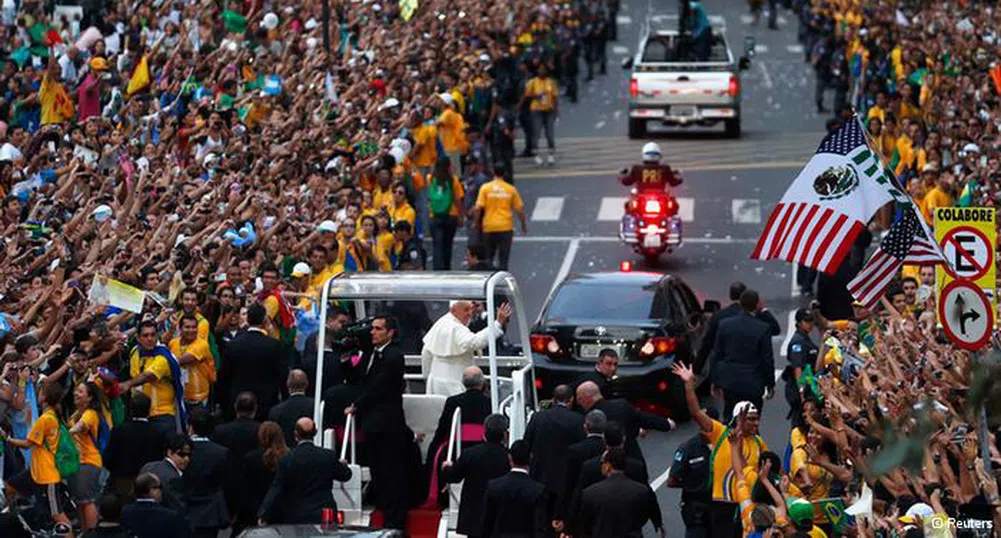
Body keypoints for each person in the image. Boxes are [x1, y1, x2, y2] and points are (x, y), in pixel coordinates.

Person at [673, 362, 768, 538]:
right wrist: (688, 385)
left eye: (757, 419)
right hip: (723, 504)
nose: (756, 423)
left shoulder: (759, 443)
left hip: (748, 504)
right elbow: (695, 413)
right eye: (751, 419)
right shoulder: (721, 433)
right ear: (738, 419)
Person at [344, 316, 412, 530]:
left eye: (378, 329)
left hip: (389, 425)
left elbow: (379, 387)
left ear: (390, 333)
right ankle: (385, 520)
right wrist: (346, 356)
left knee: (392, 475)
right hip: (372, 425)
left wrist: (357, 405)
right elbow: (357, 378)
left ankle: (396, 524)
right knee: (379, 474)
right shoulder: (370, 354)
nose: (372, 332)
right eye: (372, 329)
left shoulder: (394, 356)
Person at [2, 382, 70, 528]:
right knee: (10, 487)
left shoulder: (45, 419)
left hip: (47, 474)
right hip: (36, 471)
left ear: (44, 397)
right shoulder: (50, 416)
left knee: (57, 514)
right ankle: (13, 522)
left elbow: (28, 444)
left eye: (40, 392)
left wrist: (7, 438)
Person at [258, 418, 351, 524]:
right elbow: (346, 475)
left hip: (296, 515)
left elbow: (276, 487)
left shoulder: (287, 459)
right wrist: (343, 465)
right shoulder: (327, 456)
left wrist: (264, 513)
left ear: (295, 434)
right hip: (323, 514)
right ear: (315, 432)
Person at [575, 381, 675, 470]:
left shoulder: (588, 418)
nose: (579, 403)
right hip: (632, 462)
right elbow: (643, 419)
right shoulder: (622, 405)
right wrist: (666, 424)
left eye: (579, 399)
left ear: (586, 398)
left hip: (606, 467)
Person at [709, 290, 776, 421]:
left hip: (730, 382)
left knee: (729, 419)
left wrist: (715, 380)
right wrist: (770, 384)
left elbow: (717, 354)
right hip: (753, 383)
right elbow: (767, 359)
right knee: (751, 421)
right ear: (757, 305)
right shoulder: (762, 328)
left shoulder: (726, 325)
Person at [441, 414, 512, 538]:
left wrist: (447, 468)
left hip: (474, 516)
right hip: (499, 516)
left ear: (485, 431)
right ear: (505, 434)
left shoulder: (470, 454)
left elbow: (454, 477)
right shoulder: (509, 457)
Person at [421, 300, 512, 396]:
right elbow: (475, 342)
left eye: (471, 309)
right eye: (466, 310)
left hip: (436, 381)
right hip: (454, 383)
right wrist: (497, 324)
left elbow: (426, 353)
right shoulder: (454, 327)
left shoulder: (442, 322)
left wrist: (427, 377)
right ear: (453, 310)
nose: (469, 313)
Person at [523, 384, 585, 521]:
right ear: (571, 400)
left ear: (553, 399)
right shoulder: (578, 420)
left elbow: (526, 444)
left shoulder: (537, 418)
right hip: (565, 478)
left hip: (539, 476)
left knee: (540, 519)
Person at [575, 447, 664, 538]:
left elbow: (585, 523)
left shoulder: (590, 493)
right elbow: (643, 516)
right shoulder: (641, 491)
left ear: (608, 466)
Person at [218, 303, 285, 421]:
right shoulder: (273, 345)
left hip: (237, 404)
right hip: (266, 405)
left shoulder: (233, 345)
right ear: (264, 320)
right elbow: (281, 375)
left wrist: (223, 405)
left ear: (247, 319)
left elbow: (223, 377)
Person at [120, 320, 186, 436]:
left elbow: (147, 375)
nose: (150, 339)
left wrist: (128, 384)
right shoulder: (135, 351)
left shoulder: (163, 357)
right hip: (140, 416)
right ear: (138, 338)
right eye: (145, 335)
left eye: (153, 335)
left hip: (162, 415)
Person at [667, 408, 719, 538]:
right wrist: (693, 484)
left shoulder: (728, 445)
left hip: (721, 508)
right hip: (696, 508)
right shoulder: (688, 448)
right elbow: (672, 480)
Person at [480, 440, 548, 538]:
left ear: (509, 458)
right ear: (530, 458)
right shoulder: (538, 490)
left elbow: (486, 523)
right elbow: (539, 526)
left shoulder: (494, 486)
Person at [67, 382, 111, 531]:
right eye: (76, 390)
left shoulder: (90, 414)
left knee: (87, 501)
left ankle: (92, 533)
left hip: (88, 462)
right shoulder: (75, 414)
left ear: (90, 397)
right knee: (80, 501)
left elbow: (82, 426)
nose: (76, 393)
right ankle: (85, 532)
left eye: (80, 391)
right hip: (77, 463)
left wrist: (67, 434)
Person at [104, 393, 164, 500]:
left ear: (131, 410)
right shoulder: (157, 433)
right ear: (149, 410)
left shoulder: (119, 431)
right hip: (149, 482)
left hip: (124, 481)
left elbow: (108, 457)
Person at [183, 407, 232, 538]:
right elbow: (226, 482)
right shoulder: (220, 452)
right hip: (211, 513)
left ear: (190, 427)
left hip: (185, 509)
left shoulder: (181, 451)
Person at [555, 409, 607, 527]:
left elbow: (568, 483)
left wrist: (560, 514)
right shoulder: (608, 449)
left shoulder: (575, 451)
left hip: (581, 505)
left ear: (586, 427)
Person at [238, 422, 288, 533]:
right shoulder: (288, 457)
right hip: (282, 510)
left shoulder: (251, 458)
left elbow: (245, 488)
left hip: (255, 510)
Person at [474, 168, 528, 270]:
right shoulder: (510, 189)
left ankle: (490, 279)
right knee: (504, 258)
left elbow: (478, 208)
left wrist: (476, 223)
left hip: (489, 227)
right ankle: (502, 280)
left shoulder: (485, 188)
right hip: (505, 227)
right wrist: (523, 225)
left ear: (494, 173)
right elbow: (520, 210)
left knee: (489, 258)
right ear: (504, 174)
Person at [120, 473, 191, 538]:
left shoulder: (124, 512)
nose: (161, 491)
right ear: (152, 490)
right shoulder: (170, 516)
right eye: (160, 487)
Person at [168, 314, 214, 410]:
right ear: (180, 328)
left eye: (194, 327)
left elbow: (183, 360)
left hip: (199, 397)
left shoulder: (202, 344)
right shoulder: (173, 343)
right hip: (179, 396)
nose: (191, 330)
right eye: (187, 327)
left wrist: (166, 362)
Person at [428, 159, 466, 270]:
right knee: (447, 244)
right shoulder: (452, 180)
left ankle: (437, 268)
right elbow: (458, 200)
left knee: (437, 244)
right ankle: (446, 267)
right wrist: (460, 216)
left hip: (434, 216)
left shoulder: (430, 179)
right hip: (451, 216)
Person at [138, 433, 191, 514]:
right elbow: (179, 509)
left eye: (189, 455)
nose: (186, 459)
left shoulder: (147, 466)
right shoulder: (174, 478)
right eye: (181, 454)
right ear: (169, 452)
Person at [520, 62, 559, 166]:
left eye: (544, 69)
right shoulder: (532, 82)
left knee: (549, 134)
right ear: (537, 71)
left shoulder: (551, 82)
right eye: (540, 69)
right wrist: (536, 95)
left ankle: (551, 155)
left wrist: (556, 111)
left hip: (548, 110)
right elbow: (527, 94)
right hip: (536, 110)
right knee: (536, 133)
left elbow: (555, 97)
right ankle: (536, 155)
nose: (542, 71)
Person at [783, 309, 818, 423]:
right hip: (802, 387)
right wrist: (802, 393)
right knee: (800, 422)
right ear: (799, 322)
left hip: (810, 384)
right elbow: (798, 368)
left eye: (811, 321)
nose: (810, 324)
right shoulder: (798, 342)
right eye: (806, 321)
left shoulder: (806, 338)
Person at [211, 392, 261, 471]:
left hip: (226, 477)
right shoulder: (262, 430)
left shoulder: (220, 431)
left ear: (235, 407)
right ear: (255, 408)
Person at [267, 370, 314, 447]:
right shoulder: (315, 406)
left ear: (287, 385)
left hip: (284, 454)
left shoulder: (275, 411)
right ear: (307, 384)